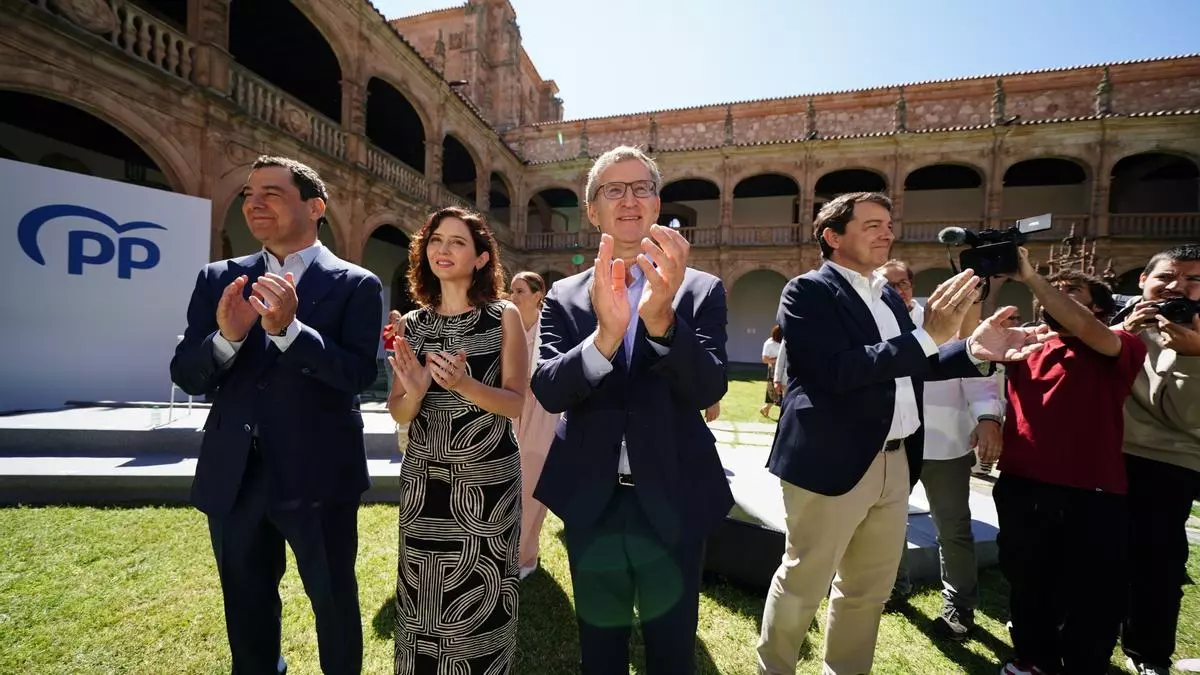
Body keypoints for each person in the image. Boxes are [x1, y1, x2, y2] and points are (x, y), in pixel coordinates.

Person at [756, 191, 1054, 675]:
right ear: (833, 237)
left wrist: (979, 349)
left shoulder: (888, 298)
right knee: (803, 581)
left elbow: (921, 363)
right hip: (833, 461)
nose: (887, 232)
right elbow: (834, 372)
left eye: (889, 223)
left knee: (867, 588)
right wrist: (926, 336)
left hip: (897, 462)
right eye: (872, 224)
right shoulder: (807, 291)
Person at [170, 155, 382, 675]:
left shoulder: (357, 284)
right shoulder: (219, 277)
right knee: (245, 604)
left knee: (332, 601)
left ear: (315, 207)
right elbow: (187, 374)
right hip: (235, 473)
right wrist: (229, 337)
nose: (254, 203)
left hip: (319, 475)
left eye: (271, 192)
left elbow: (357, 376)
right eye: (248, 193)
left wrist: (290, 331)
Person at [530, 145, 732, 675]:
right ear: (592, 210)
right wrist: (605, 337)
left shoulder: (700, 289)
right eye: (613, 189)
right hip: (593, 499)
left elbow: (710, 385)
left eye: (641, 187)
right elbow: (549, 390)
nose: (629, 199)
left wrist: (663, 322)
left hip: (675, 494)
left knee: (671, 647)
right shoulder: (566, 295)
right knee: (600, 644)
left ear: (657, 202)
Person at [387, 206, 527, 674]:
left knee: (480, 594)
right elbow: (399, 411)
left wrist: (463, 385)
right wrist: (417, 390)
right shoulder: (412, 326)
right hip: (425, 479)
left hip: (485, 485)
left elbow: (515, 403)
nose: (443, 250)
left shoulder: (503, 316)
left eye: (457, 242)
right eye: (435, 240)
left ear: (482, 258)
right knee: (423, 593)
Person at [994, 249, 1147, 675]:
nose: (1055, 298)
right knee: (1027, 581)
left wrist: (1030, 276)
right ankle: (1034, 660)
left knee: (1092, 591)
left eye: (1071, 292)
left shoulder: (1119, 346)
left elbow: (1082, 325)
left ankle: (1083, 665)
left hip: (1090, 490)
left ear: (1099, 307)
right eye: (1053, 292)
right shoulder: (1026, 346)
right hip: (1021, 482)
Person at [880, 259, 1005, 639]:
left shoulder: (943, 318)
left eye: (902, 283)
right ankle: (892, 587)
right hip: (893, 443)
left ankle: (960, 605)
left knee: (952, 528)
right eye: (888, 285)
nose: (897, 291)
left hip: (943, 442)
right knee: (887, 524)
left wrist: (988, 417)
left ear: (911, 284)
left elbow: (976, 366)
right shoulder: (873, 321)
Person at [1111, 244, 1200, 675]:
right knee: (1098, 555)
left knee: (1158, 564)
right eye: (1166, 276)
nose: (1177, 287)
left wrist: (1192, 356)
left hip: (1169, 464)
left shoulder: (1196, 335)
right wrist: (1122, 334)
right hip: (1107, 455)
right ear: (1143, 280)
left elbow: (1190, 418)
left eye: (1192, 280)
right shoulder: (1118, 323)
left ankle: (1149, 653)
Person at [508, 270, 558, 580]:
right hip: (509, 407)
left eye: (520, 291)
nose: (512, 297)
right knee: (506, 483)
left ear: (539, 295)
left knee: (531, 485)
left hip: (542, 409)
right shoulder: (504, 325)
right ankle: (501, 552)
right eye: (511, 290)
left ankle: (526, 556)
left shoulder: (552, 327)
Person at [760, 325, 783, 418]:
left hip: (783, 369)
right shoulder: (769, 343)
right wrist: (778, 359)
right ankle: (766, 408)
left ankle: (766, 408)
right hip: (773, 370)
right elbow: (765, 360)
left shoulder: (783, 342)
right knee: (773, 392)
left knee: (780, 391)